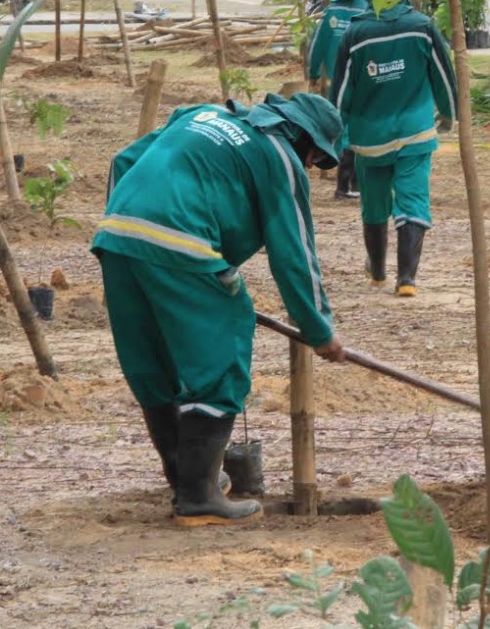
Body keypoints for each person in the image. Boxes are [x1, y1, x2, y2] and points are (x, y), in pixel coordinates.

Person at [92, 92, 347, 527]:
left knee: (155, 364)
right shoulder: (278, 156)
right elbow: (294, 255)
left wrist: (129, 233)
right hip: (181, 245)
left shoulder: (200, 114)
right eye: (313, 158)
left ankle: (188, 481)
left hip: (116, 237)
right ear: (303, 139)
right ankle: (198, 497)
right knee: (223, 348)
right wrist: (319, 329)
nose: (307, 167)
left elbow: (123, 160)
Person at [330, 0, 456, 297]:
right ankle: (407, 280)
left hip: (369, 139)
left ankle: (377, 273)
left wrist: (333, 130)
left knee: (374, 206)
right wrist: (450, 112)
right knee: (412, 201)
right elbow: (443, 74)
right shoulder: (423, 27)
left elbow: (341, 91)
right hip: (415, 133)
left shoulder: (355, 34)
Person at [306, 0, 372, 200]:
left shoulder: (332, 10)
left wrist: (313, 71)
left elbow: (318, 44)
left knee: (341, 127)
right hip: (363, 81)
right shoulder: (368, 11)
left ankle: (346, 184)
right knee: (360, 130)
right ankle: (351, 185)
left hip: (336, 82)